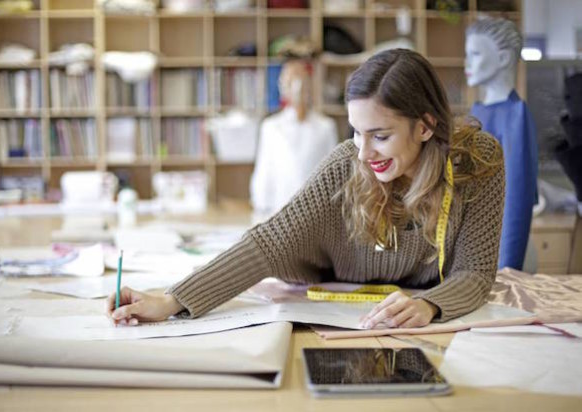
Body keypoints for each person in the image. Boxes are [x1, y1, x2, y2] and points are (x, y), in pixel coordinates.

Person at [107, 49, 504, 330]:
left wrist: (432, 304)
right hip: (337, 302)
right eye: (356, 131)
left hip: (421, 323)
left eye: (380, 136)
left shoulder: (476, 163)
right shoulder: (346, 164)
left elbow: (474, 271)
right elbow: (267, 243)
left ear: (425, 125)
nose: (363, 153)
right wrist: (170, 300)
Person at [465, 16, 538, 271]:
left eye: (475, 54)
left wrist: (508, 269)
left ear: (504, 58)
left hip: (504, 254)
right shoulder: (477, 111)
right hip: (477, 251)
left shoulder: (515, 114)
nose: (467, 63)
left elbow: (518, 198)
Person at [250, 60, 338, 217]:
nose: (297, 88)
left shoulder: (325, 127)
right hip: (279, 211)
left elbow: (334, 174)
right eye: (291, 82)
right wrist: (261, 210)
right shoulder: (271, 127)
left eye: (302, 81)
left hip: (317, 213)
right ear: (282, 86)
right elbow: (264, 172)